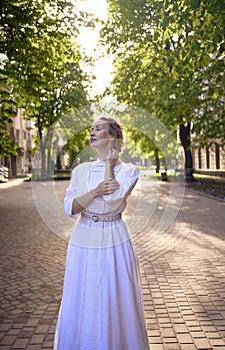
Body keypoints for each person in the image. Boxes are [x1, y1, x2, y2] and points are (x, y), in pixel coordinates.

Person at [54, 117, 150, 350]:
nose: (92, 132)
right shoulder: (80, 170)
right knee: (82, 294)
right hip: (83, 236)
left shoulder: (129, 171)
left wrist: (109, 164)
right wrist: (94, 191)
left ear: (113, 137)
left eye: (99, 128)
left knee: (114, 295)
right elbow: (70, 208)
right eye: (91, 128)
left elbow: (111, 199)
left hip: (114, 237)